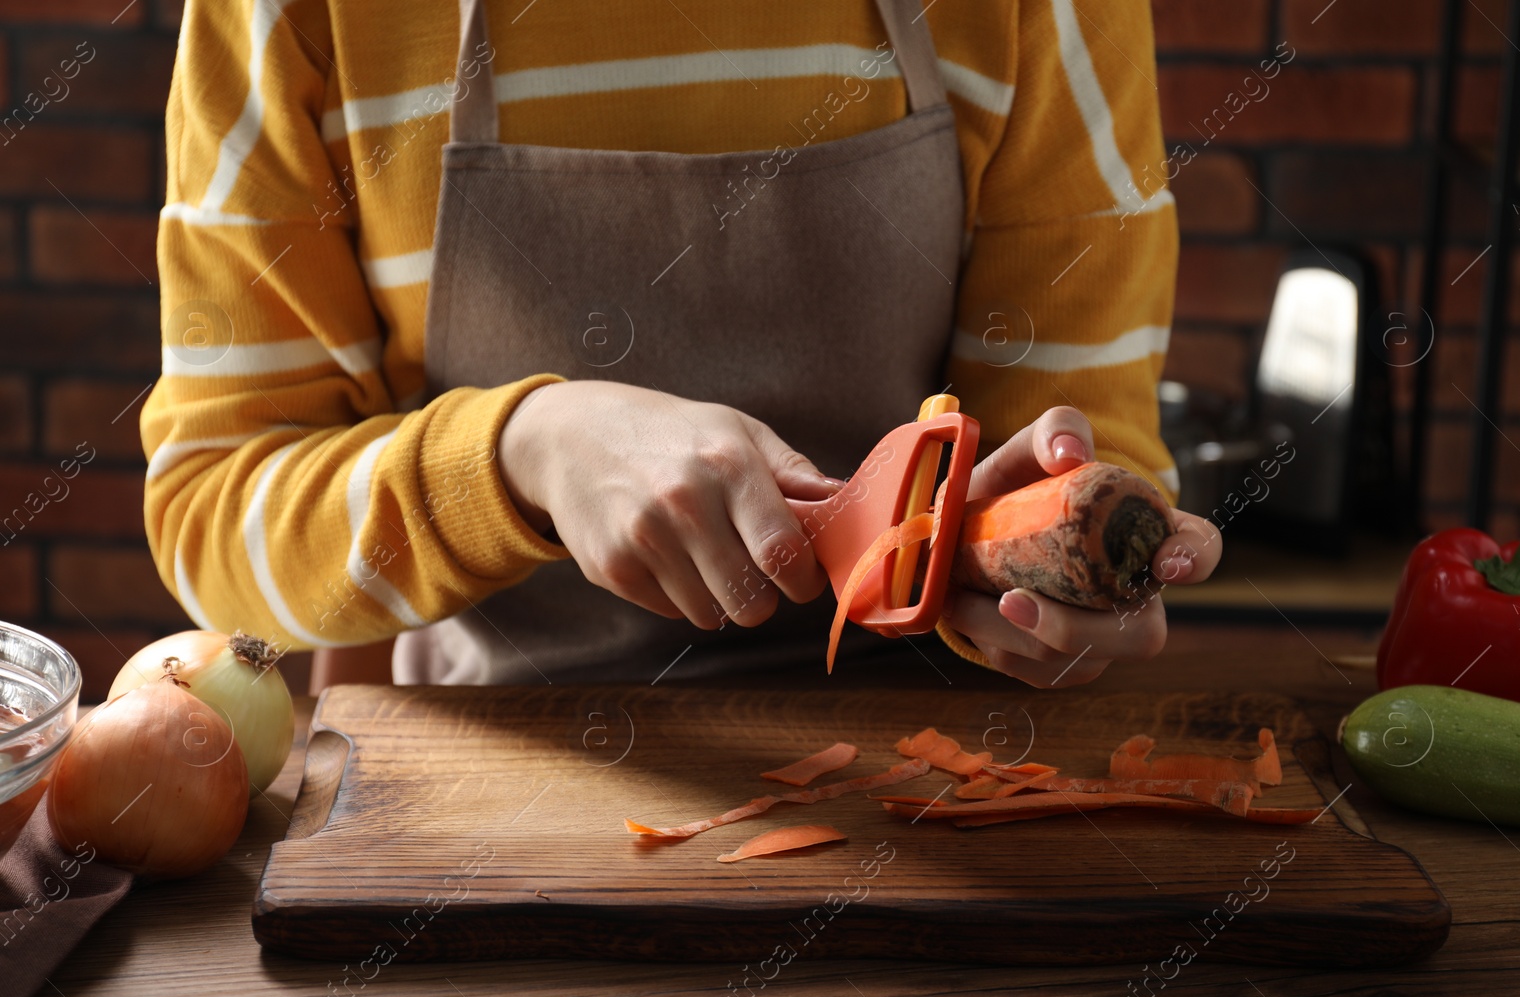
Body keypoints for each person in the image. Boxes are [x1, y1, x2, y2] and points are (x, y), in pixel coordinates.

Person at [144, 0, 1220, 689]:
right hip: (490, 795)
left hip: (927, 794)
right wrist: (520, 452)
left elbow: (1084, 448)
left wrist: (1067, 583)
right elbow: (213, 518)